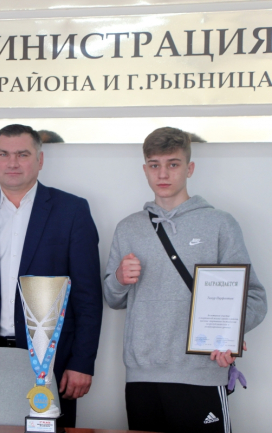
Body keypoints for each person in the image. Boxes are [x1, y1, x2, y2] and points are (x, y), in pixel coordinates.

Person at [103, 127, 267, 433]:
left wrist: (230, 334)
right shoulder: (128, 228)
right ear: (145, 170)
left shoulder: (219, 224)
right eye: (154, 165)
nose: (163, 173)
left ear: (189, 168)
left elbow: (254, 297)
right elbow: (113, 299)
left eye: (173, 164)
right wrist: (119, 279)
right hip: (142, 376)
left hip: (201, 372)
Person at [0, 124, 103, 428]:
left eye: (23, 154)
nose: (12, 163)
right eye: (3, 154)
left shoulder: (72, 211)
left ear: (40, 160)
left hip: (51, 360)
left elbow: (88, 296)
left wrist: (82, 362)